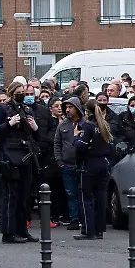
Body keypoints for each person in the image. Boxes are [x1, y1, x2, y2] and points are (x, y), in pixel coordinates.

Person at [0, 80, 40, 244]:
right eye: (19, 91)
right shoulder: (2, 109)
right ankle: (9, 232)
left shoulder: (27, 109)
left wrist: (35, 128)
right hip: (9, 156)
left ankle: (22, 230)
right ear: (11, 92)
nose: (22, 94)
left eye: (23, 91)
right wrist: (9, 124)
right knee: (11, 195)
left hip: (26, 155)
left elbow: (35, 136)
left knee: (24, 195)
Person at [73, 100, 113, 240]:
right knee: (100, 197)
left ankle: (88, 230)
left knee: (86, 198)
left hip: (89, 164)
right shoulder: (104, 125)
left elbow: (81, 146)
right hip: (103, 163)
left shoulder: (88, 125)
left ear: (87, 111)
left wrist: (76, 136)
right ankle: (99, 230)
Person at [55, 97, 83, 231]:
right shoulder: (62, 125)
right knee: (70, 193)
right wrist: (60, 161)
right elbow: (57, 143)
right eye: (66, 107)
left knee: (83, 192)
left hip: (81, 165)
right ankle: (74, 219)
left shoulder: (85, 123)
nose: (67, 110)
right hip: (66, 165)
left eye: (70, 107)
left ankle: (84, 218)